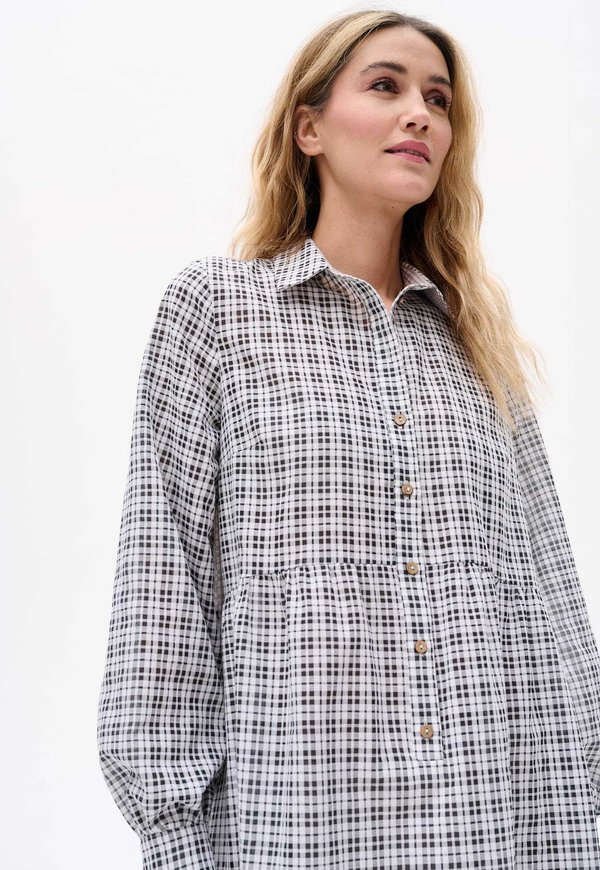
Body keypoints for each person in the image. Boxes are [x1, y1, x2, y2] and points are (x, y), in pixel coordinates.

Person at [96, 8, 600, 869]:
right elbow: (163, 595)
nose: (420, 116)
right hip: (305, 821)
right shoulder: (218, 312)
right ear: (310, 128)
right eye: (386, 86)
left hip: (501, 817)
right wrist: (176, 835)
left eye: (438, 100)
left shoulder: (477, 343)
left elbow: (549, 597)